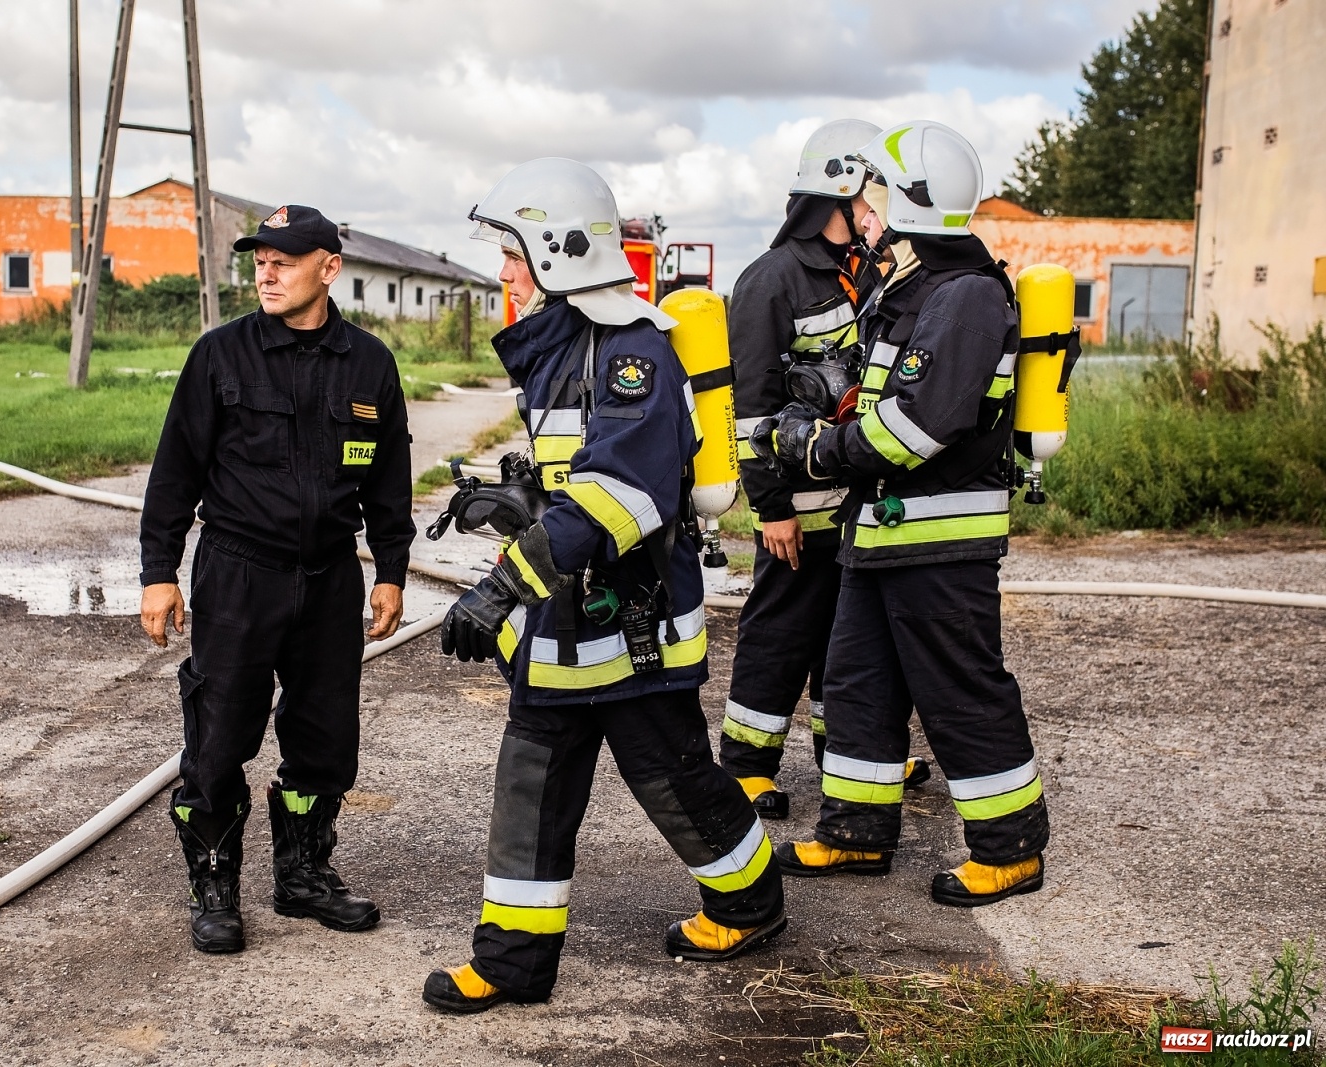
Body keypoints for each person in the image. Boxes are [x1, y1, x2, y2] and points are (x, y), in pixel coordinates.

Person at [423, 158, 785, 1014]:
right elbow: (571, 476)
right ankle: (513, 961)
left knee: (674, 776)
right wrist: (517, 500)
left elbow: (624, 490)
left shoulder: (634, 351)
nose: (504, 271)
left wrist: (503, 584)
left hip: (631, 621)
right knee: (531, 780)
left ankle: (751, 901)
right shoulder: (559, 347)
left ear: (558, 252)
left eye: (514, 253)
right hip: (564, 615)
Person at [752, 121, 1049, 905]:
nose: (860, 207)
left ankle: (1011, 846)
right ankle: (855, 831)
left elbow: (915, 426)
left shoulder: (968, 296)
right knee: (857, 684)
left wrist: (821, 449)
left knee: (960, 690)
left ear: (911, 201)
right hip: (879, 536)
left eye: (872, 191)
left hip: (940, 544)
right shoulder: (910, 290)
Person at [139, 204, 415, 953]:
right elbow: (173, 472)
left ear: (329, 268)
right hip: (239, 572)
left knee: (327, 738)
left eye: (285, 259)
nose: (266, 270)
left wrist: (391, 568)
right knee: (220, 733)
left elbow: (390, 479)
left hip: (330, 577)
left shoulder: (368, 363)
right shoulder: (220, 356)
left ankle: (302, 875)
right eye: (260, 258)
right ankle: (216, 886)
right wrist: (158, 571)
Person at [721, 119, 930, 821]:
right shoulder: (772, 280)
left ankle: (848, 750)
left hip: (856, 506)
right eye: (870, 193)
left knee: (849, 641)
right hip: (797, 509)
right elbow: (751, 407)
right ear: (836, 194)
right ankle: (747, 764)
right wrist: (769, 502)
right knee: (781, 633)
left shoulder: (870, 270)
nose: (879, 208)